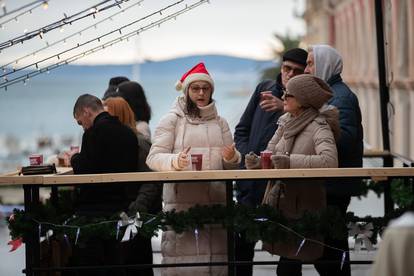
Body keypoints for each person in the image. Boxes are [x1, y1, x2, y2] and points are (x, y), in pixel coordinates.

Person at [146, 62, 241, 276]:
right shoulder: (171, 120)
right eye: (195, 88)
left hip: (216, 205)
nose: (200, 93)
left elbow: (230, 163)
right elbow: (153, 158)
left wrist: (232, 157)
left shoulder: (221, 123)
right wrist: (175, 161)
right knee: (183, 267)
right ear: (187, 91)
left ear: (211, 91)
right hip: (182, 207)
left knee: (216, 267)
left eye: (205, 89)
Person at [245, 74, 340, 276]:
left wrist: (290, 162)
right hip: (282, 204)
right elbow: (271, 152)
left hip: (306, 206)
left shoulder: (319, 127)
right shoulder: (285, 121)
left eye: (290, 94)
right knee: (288, 266)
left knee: (313, 261)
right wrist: (257, 164)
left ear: (303, 100)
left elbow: (329, 162)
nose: (284, 97)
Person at [233, 47, 308, 276]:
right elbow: (241, 130)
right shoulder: (264, 89)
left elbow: (310, 126)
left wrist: (282, 107)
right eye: (287, 68)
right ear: (281, 67)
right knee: (241, 252)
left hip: (284, 190)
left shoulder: (307, 100)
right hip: (251, 186)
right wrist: (248, 159)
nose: (290, 74)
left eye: (297, 71)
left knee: (288, 258)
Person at [67, 94, 151, 276]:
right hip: (121, 209)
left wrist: (74, 158)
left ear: (86, 112)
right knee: (116, 266)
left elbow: (85, 170)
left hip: (93, 213)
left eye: (80, 122)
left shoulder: (92, 134)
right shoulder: (129, 134)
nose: (83, 126)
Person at [305, 44, 364, 276]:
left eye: (311, 63)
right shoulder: (329, 94)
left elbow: (346, 138)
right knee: (328, 249)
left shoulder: (340, 97)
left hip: (334, 185)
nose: (307, 69)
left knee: (331, 249)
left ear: (324, 64)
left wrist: (314, 137)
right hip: (328, 183)